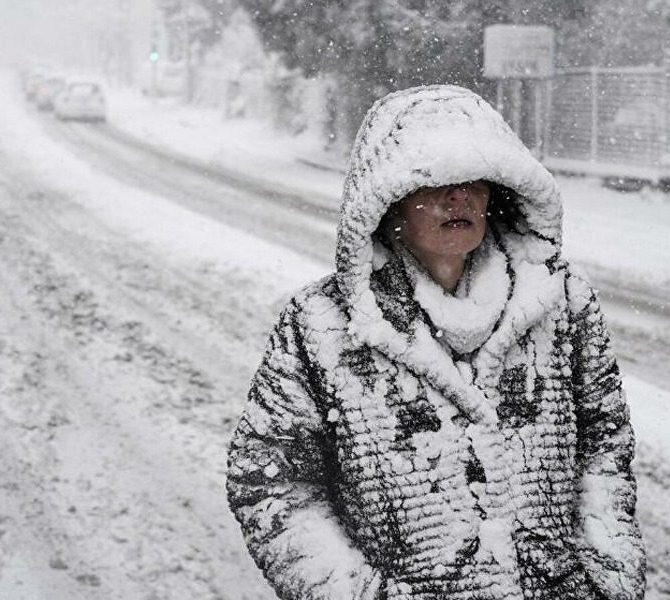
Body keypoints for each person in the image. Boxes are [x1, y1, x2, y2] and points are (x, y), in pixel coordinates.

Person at [226, 85, 646, 600]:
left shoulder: (563, 303)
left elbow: (605, 449)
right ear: (389, 198)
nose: (459, 196)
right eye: (437, 180)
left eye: (474, 179)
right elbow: (271, 485)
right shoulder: (320, 325)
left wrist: (606, 580)